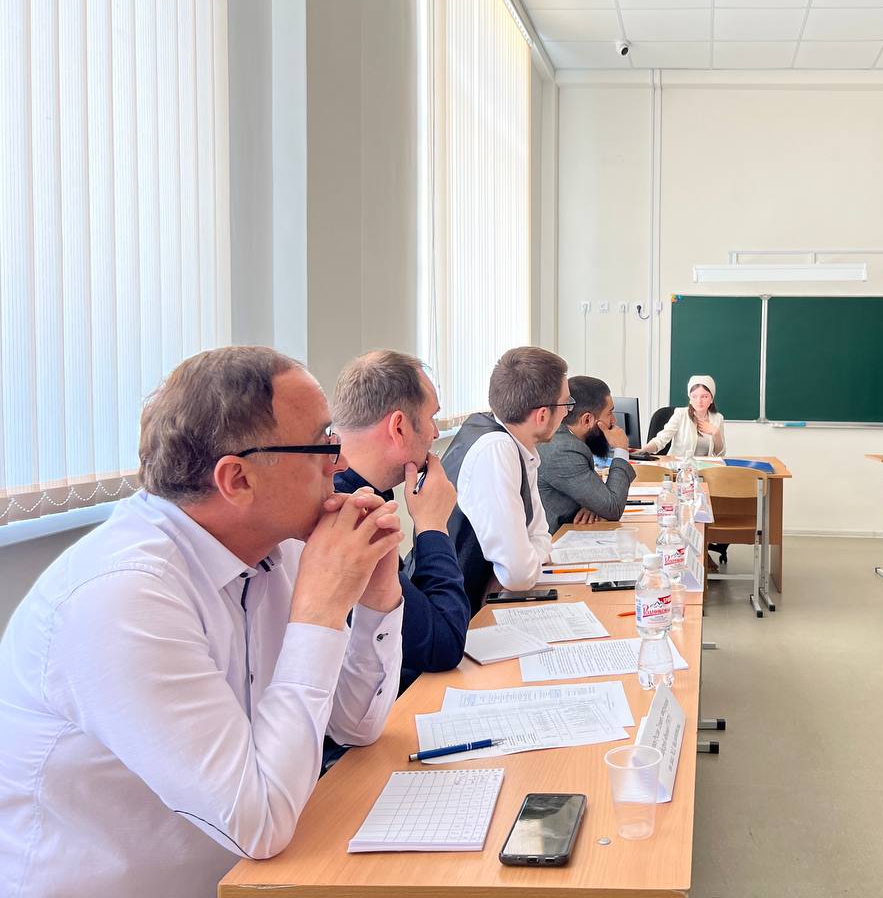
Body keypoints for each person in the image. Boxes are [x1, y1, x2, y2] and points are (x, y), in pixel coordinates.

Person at [0, 347, 405, 897]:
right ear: (237, 479)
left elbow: (355, 727)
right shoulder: (121, 598)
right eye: (322, 445)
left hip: (244, 875)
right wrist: (319, 613)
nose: (338, 463)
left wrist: (377, 595)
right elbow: (257, 823)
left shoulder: (275, 548)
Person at [330, 350, 469, 692]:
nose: (435, 433)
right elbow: (442, 644)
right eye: (432, 417)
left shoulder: (359, 493)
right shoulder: (347, 515)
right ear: (399, 427)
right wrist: (433, 526)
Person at [442, 346, 568, 614]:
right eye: (566, 405)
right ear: (542, 415)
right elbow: (518, 575)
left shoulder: (514, 444)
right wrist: (527, 560)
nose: (567, 413)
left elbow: (539, 534)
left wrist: (529, 557)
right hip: (462, 617)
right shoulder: (496, 450)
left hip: (478, 606)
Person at [538, 375, 637, 534]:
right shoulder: (564, 449)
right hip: (553, 542)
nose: (614, 421)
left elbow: (604, 502)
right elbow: (613, 508)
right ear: (587, 420)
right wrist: (621, 449)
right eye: (610, 413)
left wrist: (594, 504)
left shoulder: (564, 439)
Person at [642, 375, 726, 457]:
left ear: (711, 399)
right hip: (680, 464)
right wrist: (642, 450)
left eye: (704, 396)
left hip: (705, 465)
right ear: (690, 399)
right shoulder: (680, 414)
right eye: (694, 396)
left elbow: (720, 454)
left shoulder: (718, 418)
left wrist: (716, 433)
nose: (699, 401)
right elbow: (660, 440)